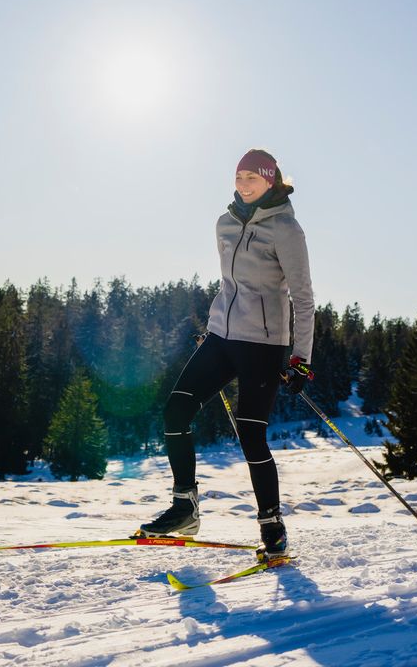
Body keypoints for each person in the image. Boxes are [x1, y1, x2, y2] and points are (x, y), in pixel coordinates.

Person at [136, 148, 315, 559]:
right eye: (238, 178)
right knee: (176, 411)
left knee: (250, 434)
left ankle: (272, 525)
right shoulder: (225, 222)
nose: (243, 185)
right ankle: (185, 508)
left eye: (252, 178)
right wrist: (216, 324)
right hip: (221, 337)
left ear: (270, 180)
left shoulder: (286, 229)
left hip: (263, 344)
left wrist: (301, 359)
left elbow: (303, 298)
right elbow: (231, 286)